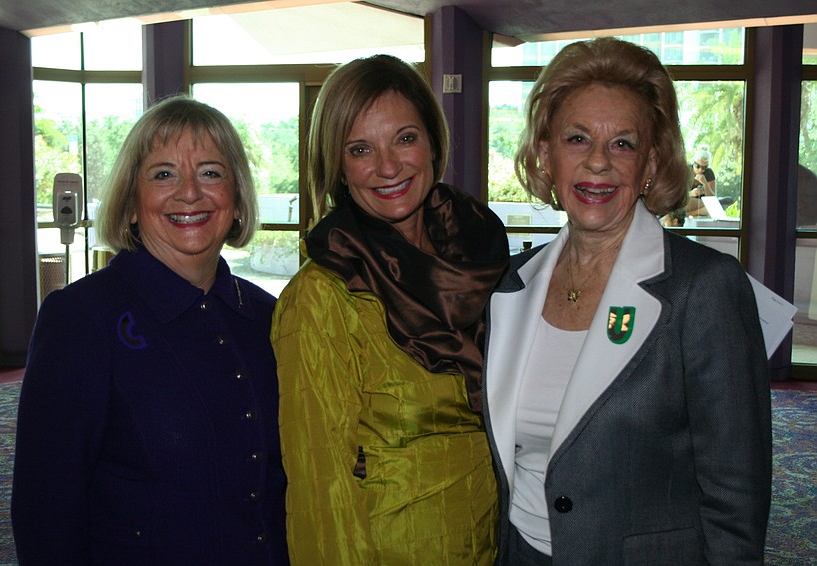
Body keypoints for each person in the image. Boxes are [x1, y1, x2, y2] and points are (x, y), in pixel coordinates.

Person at [485, 38, 771, 565]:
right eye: (576, 139)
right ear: (546, 156)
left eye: (622, 143)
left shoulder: (704, 288)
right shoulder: (511, 286)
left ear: (650, 164)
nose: (598, 162)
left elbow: (737, 495)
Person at [11, 96, 289, 565]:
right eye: (163, 174)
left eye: (210, 172)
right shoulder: (80, 320)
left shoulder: (267, 316)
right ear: (132, 203)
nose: (189, 193)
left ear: (237, 197)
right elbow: (47, 507)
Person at [271, 54, 509, 564]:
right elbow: (321, 494)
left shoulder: (485, 261)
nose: (387, 166)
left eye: (404, 138)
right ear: (337, 165)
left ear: (433, 141)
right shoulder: (321, 296)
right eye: (360, 149)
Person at [685, 144, 717, 216]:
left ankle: (689, 214)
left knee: (713, 207)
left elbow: (713, 198)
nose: (700, 170)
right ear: (693, 162)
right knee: (687, 202)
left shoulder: (709, 173)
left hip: (703, 204)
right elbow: (678, 195)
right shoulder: (686, 171)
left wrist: (705, 184)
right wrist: (691, 193)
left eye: (704, 167)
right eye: (698, 166)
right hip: (689, 202)